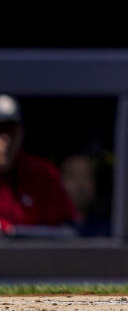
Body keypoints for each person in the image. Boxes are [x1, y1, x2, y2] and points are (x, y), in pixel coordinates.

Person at [0, 94, 77, 236]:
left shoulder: (42, 173)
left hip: (35, 257)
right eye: (0, 131)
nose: (6, 140)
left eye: (11, 131)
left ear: (21, 133)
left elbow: (67, 230)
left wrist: (14, 232)